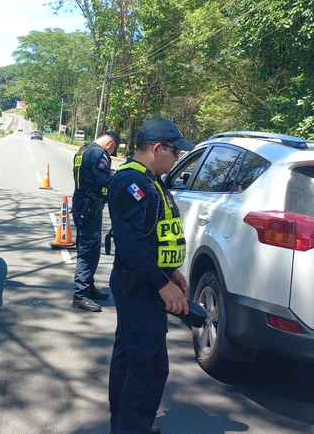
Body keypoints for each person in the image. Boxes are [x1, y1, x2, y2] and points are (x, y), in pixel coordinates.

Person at [106, 118, 195, 434]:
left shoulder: (149, 179)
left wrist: (172, 273)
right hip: (141, 286)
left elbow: (153, 234)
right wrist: (162, 285)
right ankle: (131, 429)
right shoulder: (132, 182)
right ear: (158, 148)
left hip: (148, 282)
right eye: (174, 152)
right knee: (150, 368)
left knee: (131, 358)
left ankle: (125, 426)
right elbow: (130, 242)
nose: (176, 158)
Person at [71, 130, 121, 312]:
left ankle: (88, 287)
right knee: (89, 250)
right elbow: (104, 180)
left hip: (81, 204)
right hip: (89, 208)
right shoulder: (99, 153)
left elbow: (89, 175)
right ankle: (80, 295)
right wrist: (118, 176)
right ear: (111, 144)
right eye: (112, 152)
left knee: (86, 246)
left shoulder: (83, 150)